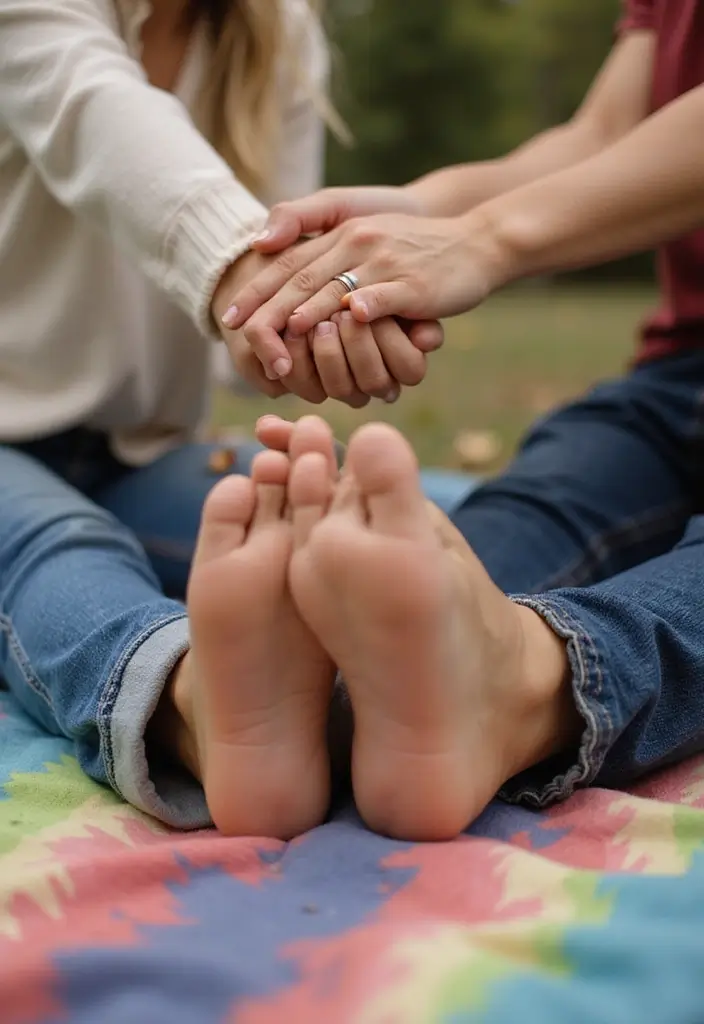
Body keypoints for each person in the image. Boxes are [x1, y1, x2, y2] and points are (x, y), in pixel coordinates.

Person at [212, 0, 704, 842]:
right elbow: (605, 135)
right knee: (496, 535)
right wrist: (412, 212)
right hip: (677, 380)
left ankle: (528, 683)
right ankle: (346, 694)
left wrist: (484, 240)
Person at [0, 0, 454, 845]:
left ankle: (452, 660)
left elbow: (243, 346)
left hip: (138, 449)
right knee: (50, 545)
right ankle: (192, 702)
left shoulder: (280, 31)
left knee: (335, 499)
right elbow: (94, 113)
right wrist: (256, 278)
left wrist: (324, 322)